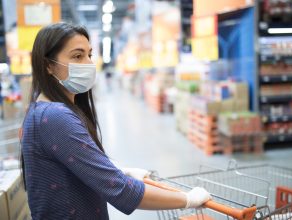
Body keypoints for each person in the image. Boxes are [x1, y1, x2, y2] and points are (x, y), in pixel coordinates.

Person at [20, 23, 211, 219]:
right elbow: (121, 191)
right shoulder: (55, 117)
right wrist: (187, 199)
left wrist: (119, 171)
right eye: (77, 56)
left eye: (89, 55)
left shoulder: (42, 110)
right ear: (49, 65)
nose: (88, 64)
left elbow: (72, 164)